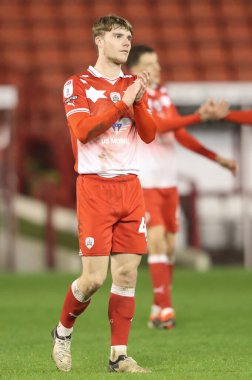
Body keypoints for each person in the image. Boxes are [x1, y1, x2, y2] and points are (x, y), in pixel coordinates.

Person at [51, 16, 156, 374]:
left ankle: (119, 356)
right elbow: (82, 131)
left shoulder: (132, 83)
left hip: (129, 186)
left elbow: (149, 134)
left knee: (127, 275)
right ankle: (63, 331)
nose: (125, 42)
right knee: (94, 279)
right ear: (99, 40)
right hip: (95, 187)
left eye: (128, 36)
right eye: (117, 36)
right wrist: (122, 103)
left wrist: (138, 102)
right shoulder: (77, 84)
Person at [126, 45, 238, 329]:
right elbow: (159, 126)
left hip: (168, 181)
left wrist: (216, 158)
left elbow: (179, 133)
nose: (159, 67)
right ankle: (166, 310)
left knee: (172, 246)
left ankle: (157, 307)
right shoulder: (134, 94)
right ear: (136, 69)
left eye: (158, 61)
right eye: (152, 63)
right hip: (147, 180)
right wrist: (198, 115)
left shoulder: (162, 93)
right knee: (158, 239)